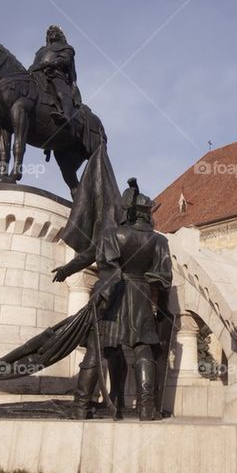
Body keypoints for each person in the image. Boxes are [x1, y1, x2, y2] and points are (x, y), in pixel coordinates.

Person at [69, 178, 172, 421]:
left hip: (113, 296)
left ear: (127, 211)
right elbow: (164, 276)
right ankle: (146, 408)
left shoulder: (112, 235)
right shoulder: (159, 241)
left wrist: (101, 296)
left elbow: (108, 268)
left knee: (96, 349)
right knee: (143, 348)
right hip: (141, 295)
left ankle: (80, 406)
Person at [29, 25, 82, 128]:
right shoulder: (41, 50)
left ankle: (66, 116)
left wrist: (50, 63)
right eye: (50, 32)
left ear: (60, 35)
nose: (52, 33)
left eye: (55, 31)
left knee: (61, 92)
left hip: (55, 74)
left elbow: (65, 60)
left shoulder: (67, 48)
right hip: (37, 73)